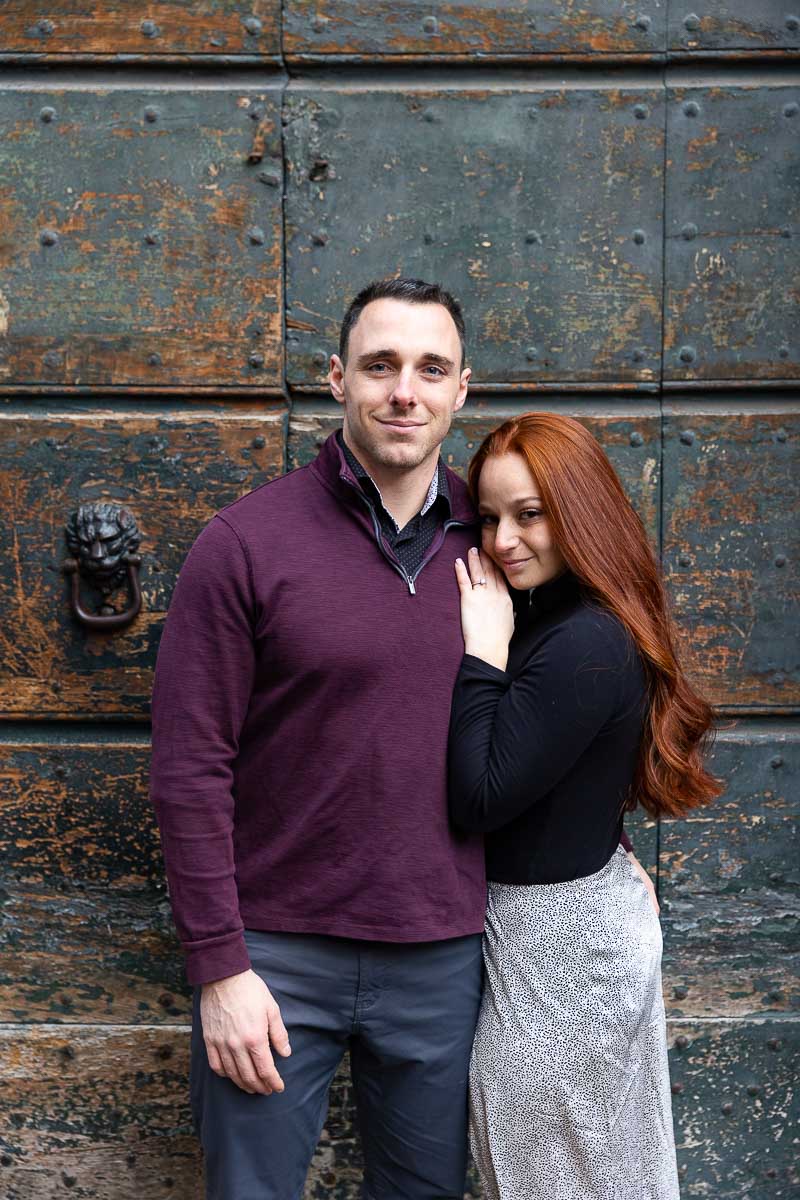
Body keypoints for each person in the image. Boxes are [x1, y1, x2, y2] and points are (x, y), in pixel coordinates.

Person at [150, 278, 650, 1199]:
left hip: (445, 953)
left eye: (430, 369)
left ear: (464, 390)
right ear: (337, 379)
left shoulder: (501, 540)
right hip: (276, 953)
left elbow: (558, 715)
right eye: (379, 366)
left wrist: (602, 846)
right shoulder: (245, 545)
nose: (403, 393)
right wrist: (220, 966)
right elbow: (188, 769)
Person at [448, 412, 722, 1200]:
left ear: (580, 512)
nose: (503, 540)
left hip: (559, 959)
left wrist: (480, 654)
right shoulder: (563, 625)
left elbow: (481, 797)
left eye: (529, 514)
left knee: (558, 1176)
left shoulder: (583, 642)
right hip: (566, 937)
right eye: (490, 517)